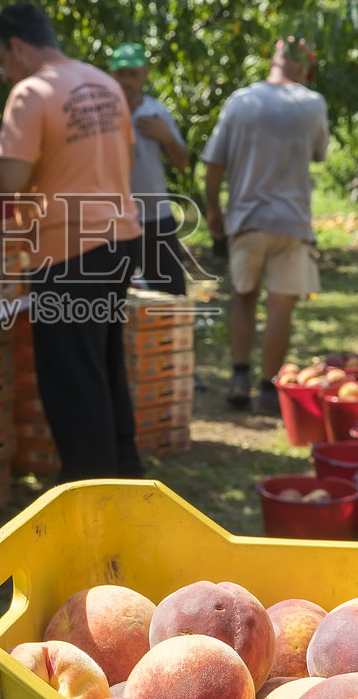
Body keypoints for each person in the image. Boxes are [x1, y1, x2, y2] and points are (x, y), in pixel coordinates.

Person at [0, 2, 145, 482]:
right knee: (104, 365)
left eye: (2, 60)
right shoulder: (104, 83)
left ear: (18, 46)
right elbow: (126, 159)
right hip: (120, 239)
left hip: (68, 252)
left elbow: (8, 181)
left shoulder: (31, 93)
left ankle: (89, 490)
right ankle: (126, 475)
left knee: (73, 380)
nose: (4, 73)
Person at [201, 36, 330, 416]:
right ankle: (269, 388)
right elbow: (319, 153)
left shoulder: (241, 101)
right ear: (304, 67)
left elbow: (214, 162)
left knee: (244, 296)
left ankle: (239, 376)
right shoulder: (312, 103)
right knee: (280, 304)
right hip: (291, 221)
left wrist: (213, 209)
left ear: (274, 59)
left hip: (247, 218)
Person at [109, 43, 193, 295]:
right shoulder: (103, 113)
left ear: (144, 74)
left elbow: (182, 162)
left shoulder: (156, 112)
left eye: (133, 73)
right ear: (111, 74)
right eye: (121, 73)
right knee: (114, 294)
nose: (127, 80)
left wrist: (166, 136)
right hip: (115, 219)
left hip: (156, 216)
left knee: (171, 292)